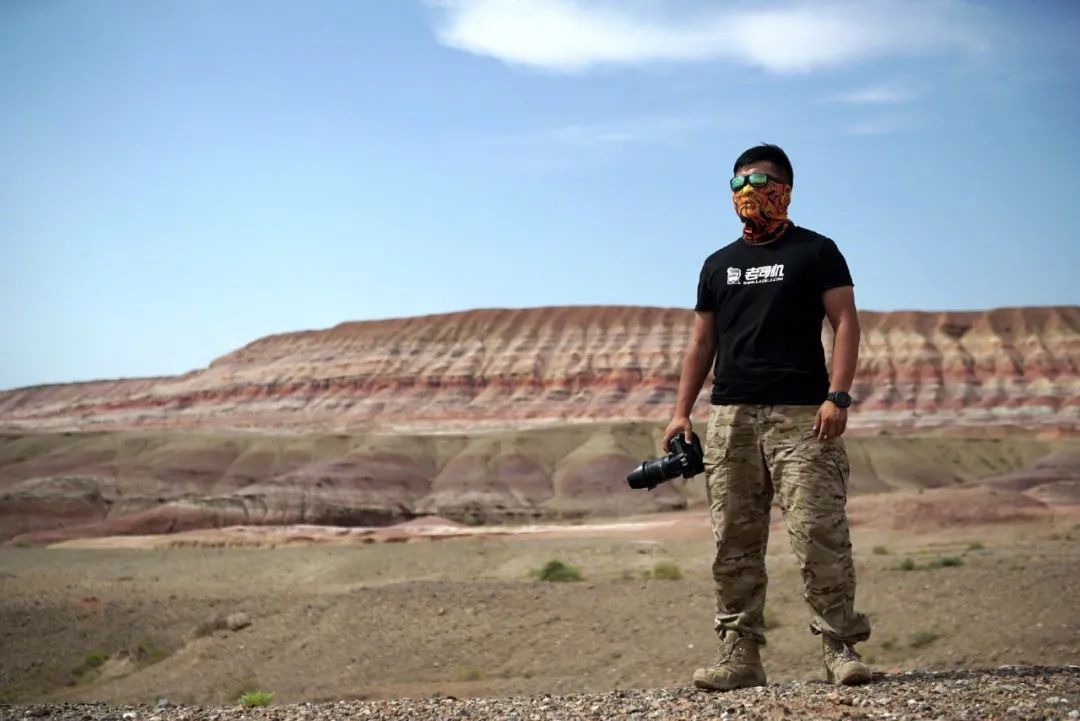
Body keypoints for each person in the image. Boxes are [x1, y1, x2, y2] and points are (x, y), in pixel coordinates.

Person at [662, 143, 872, 691]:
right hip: (730, 418)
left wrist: (838, 396)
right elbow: (701, 342)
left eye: (758, 181)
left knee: (819, 532)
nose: (747, 192)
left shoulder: (816, 251)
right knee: (733, 538)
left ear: (784, 189)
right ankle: (740, 655)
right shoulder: (717, 264)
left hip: (803, 415)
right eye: (738, 184)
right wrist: (681, 413)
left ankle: (839, 646)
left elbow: (845, 322)